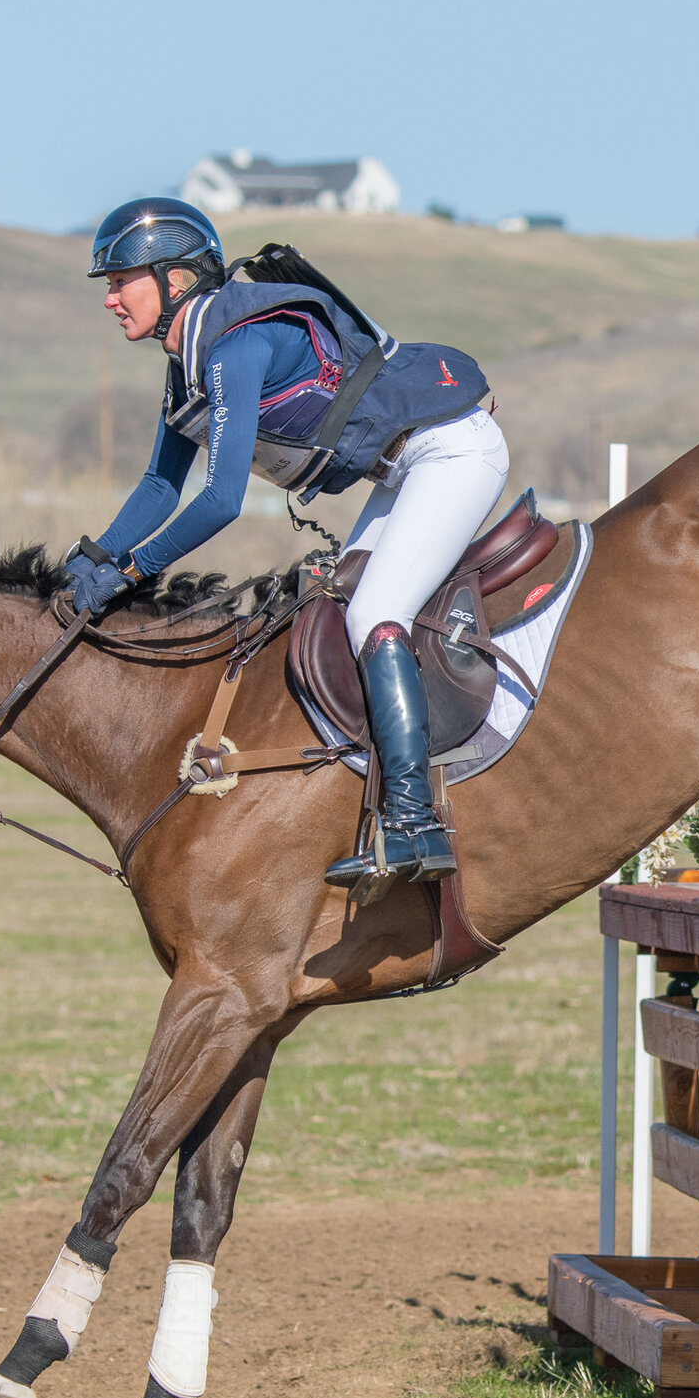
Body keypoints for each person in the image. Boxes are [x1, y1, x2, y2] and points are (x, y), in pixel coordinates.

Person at [65, 197, 508, 891]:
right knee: (335, 613)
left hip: (451, 451)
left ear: (175, 281)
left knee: (372, 615)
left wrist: (133, 570)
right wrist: (92, 559)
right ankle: (379, 809)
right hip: (405, 467)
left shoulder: (237, 344)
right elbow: (160, 484)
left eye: (122, 281)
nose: (111, 300)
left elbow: (221, 500)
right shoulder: (190, 359)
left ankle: (416, 823)